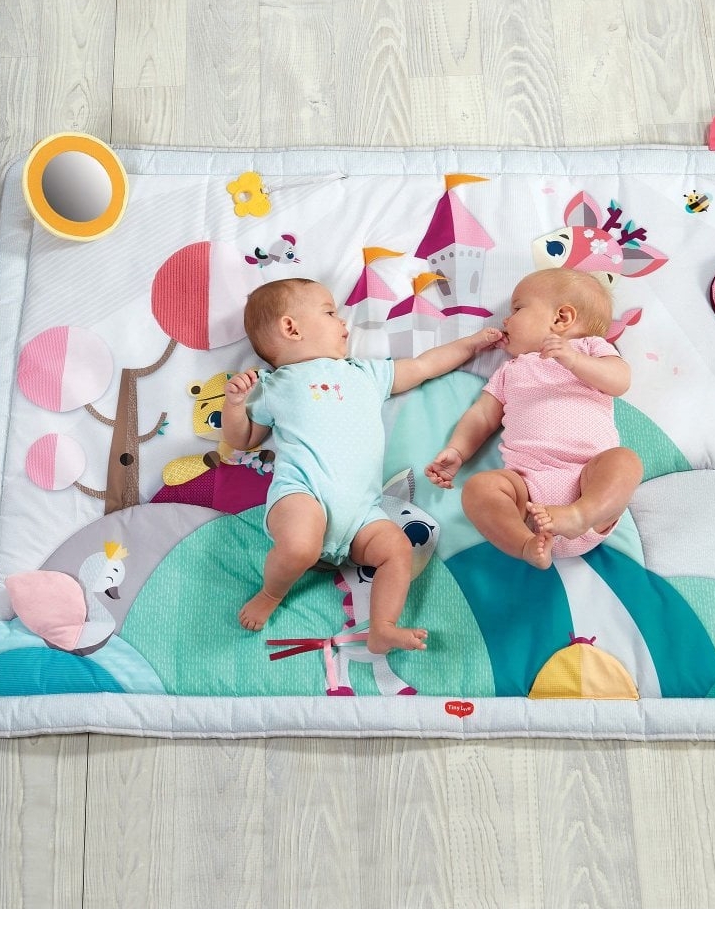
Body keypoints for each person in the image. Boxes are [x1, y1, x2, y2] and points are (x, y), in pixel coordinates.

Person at [222, 277, 502, 653]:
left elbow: (423, 366)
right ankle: (271, 593)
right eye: (330, 313)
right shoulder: (275, 386)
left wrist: (471, 344)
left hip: (362, 513)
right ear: (291, 327)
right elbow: (243, 439)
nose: (343, 322)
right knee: (300, 547)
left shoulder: (364, 373)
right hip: (304, 493)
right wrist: (234, 405)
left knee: (398, 549)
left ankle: (382, 627)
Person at [425, 269, 643, 569]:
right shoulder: (510, 371)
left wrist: (574, 360)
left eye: (517, 309)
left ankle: (581, 514)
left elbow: (620, 380)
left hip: (590, 481)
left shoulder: (590, 349)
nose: (506, 320)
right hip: (527, 494)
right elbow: (482, 416)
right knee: (479, 489)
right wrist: (457, 450)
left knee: (625, 461)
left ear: (561, 318)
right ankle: (525, 544)